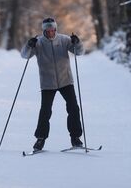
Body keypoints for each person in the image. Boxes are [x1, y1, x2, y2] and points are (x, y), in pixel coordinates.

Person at [20, 17, 85, 151]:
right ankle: (40, 139)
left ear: (55, 29)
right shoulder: (38, 42)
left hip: (66, 80)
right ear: (43, 30)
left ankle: (76, 138)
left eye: (52, 30)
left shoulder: (64, 39)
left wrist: (77, 42)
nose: (50, 32)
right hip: (47, 82)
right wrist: (28, 45)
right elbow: (25, 55)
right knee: (45, 111)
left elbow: (79, 52)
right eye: (47, 30)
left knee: (73, 108)